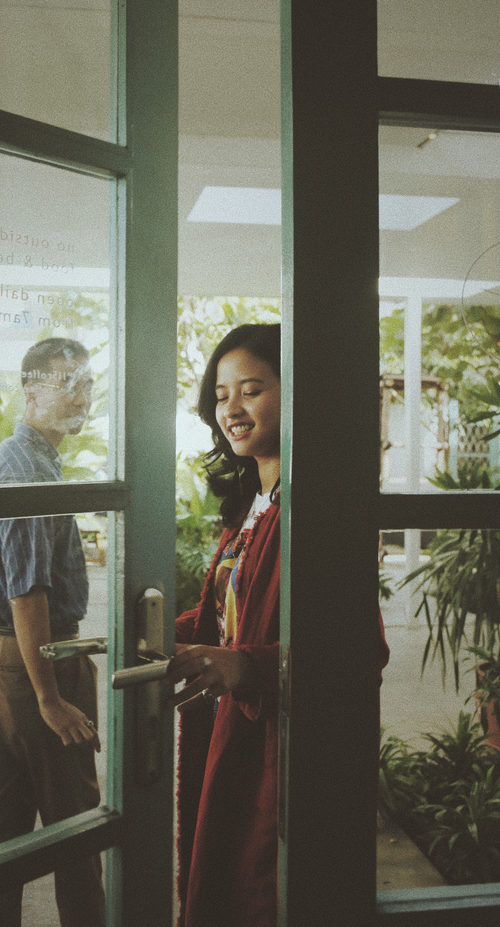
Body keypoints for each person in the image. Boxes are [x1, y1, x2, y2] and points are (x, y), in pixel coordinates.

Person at [164, 324, 389, 927]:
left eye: (251, 390)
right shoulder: (254, 504)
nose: (230, 409)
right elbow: (231, 615)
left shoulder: (314, 511)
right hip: (234, 740)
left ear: (296, 394)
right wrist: (166, 631)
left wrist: (248, 665)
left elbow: (357, 653)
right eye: (219, 394)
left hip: (283, 763)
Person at [0, 338, 105, 927]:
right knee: (78, 828)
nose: (80, 396)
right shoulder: (24, 467)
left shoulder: (31, 457)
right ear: (30, 392)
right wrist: (50, 696)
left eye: (87, 384)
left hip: (0, 658)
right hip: (32, 663)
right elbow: (28, 592)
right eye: (65, 383)